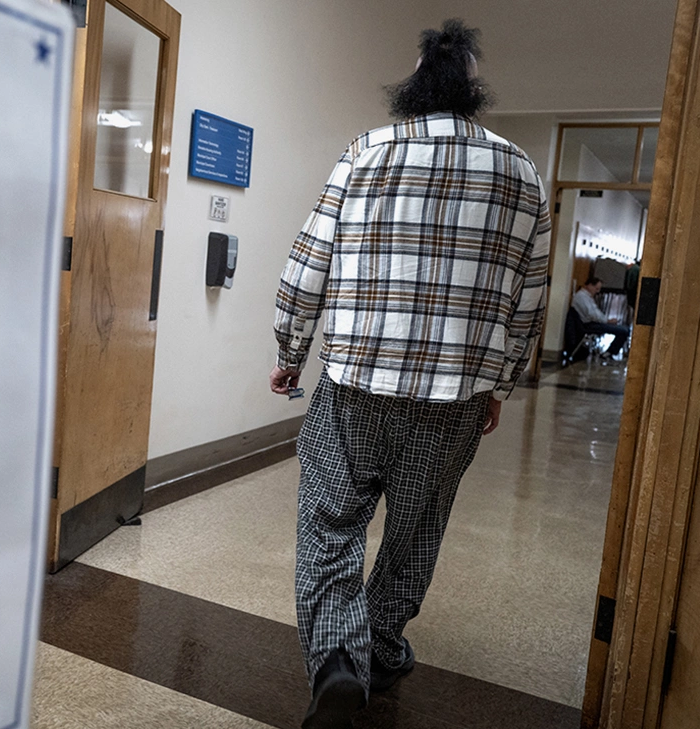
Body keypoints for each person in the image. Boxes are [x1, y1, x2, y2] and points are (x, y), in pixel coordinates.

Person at [269, 19, 550, 729]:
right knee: (417, 526)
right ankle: (385, 644)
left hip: (356, 381)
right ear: (473, 87)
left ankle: (337, 659)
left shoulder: (367, 151)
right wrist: (499, 384)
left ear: (414, 84)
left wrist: (290, 350)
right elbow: (531, 300)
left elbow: (306, 266)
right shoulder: (521, 170)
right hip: (454, 395)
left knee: (331, 519)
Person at [572, 276, 629, 357]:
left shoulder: (586, 297)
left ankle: (610, 352)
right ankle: (610, 352)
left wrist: (606, 320)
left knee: (624, 329)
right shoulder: (582, 297)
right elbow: (592, 314)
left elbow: (595, 314)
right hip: (588, 324)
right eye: (596, 288)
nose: (597, 291)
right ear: (590, 285)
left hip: (592, 322)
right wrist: (607, 321)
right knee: (623, 330)